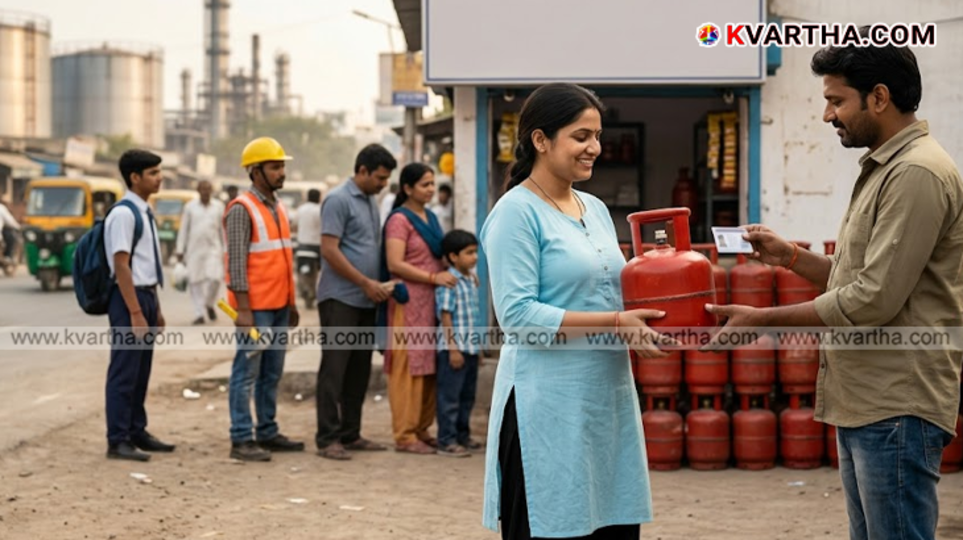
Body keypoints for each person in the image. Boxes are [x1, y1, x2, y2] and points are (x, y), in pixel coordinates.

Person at [707, 31, 963, 540]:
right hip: (869, 399)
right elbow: (865, 279)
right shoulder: (884, 168)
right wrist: (791, 258)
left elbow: (873, 299)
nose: (828, 116)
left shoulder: (916, 174)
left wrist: (762, 321)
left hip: (896, 404)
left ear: (880, 97)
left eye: (835, 100)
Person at [480, 83, 667, 539]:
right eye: (581, 136)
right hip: (546, 408)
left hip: (605, 403)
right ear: (540, 140)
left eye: (598, 136)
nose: (595, 148)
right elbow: (519, 318)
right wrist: (616, 323)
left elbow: (608, 291)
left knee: (610, 523)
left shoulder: (596, 209)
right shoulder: (516, 213)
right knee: (553, 523)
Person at [224, 137, 305, 462]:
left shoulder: (277, 206)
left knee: (272, 372)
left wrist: (292, 302)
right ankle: (241, 438)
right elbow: (237, 263)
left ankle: (267, 431)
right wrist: (243, 310)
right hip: (255, 310)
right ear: (255, 171)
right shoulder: (242, 209)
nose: (282, 172)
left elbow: (283, 259)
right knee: (246, 373)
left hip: (279, 307)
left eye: (282, 165)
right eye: (275, 167)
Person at [315, 144, 397, 460]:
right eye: (379, 177)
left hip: (366, 301)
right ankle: (327, 438)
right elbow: (329, 249)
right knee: (334, 370)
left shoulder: (369, 200)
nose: (383, 184)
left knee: (358, 371)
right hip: (341, 298)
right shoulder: (338, 199)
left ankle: (351, 433)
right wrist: (365, 282)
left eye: (387, 179)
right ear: (362, 170)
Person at [103, 150, 175, 461]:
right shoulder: (123, 214)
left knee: (141, 370)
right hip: (127, 298)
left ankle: (136, 430)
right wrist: (134, 312)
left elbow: (147, 265)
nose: (160, 178)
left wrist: (154, 309)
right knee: (124, 371)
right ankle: (117, 439)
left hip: (145, 295)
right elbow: (122, 266)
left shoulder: (145, 211)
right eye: (153, 173)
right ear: (135, 177)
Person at [383, 163, 457, 455]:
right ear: (407, 188)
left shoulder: (432, 218)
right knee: (407, 367)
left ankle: (422, 428)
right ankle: (404, 433)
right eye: (424, 184)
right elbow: (395, 263)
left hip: (431, 302)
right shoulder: (399, 221)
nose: (430, 189)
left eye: (432, 184)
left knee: (428, 365)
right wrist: (432, 277)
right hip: (408, 301)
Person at [434, 229, 482, 458]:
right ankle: (446, 440)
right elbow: (445, 316)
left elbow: (472, 317)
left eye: (475, 252)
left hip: (470, 349)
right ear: (453, 257)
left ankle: (463, 435)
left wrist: (477, 349)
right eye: (469, 253)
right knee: (450, 397)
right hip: (453, 350)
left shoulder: (471, 280)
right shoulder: (449, 283)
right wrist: (453, 349)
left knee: (467, 396)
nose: (475, 257)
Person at [175, 180, 225, 325]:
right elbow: (183, 229)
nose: (205, 192)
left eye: (208, 189)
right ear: (198, 190)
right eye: (202, 189)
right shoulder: (190, 207)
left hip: (213, 249)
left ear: (211, 191)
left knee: (215, 279)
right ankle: (199, 314)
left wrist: (225, 249)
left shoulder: (218, 207)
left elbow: (222, 230)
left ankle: (209, 304)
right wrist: (180, 250)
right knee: (195, 282)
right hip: (194, 250)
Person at [294, 189, 322, 308]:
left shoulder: (300, 209)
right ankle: (312, 291)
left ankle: (304, 289)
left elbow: (294, 225)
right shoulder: (320, 210)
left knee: (300, 271)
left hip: (302, 245)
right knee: (315, 272)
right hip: (316, 246)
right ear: (318, 197)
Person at [0, 195, 20, 263]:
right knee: (11, 237)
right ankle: (8, 256)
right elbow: (10, 221)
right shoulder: (2, 208)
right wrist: (18, 227)